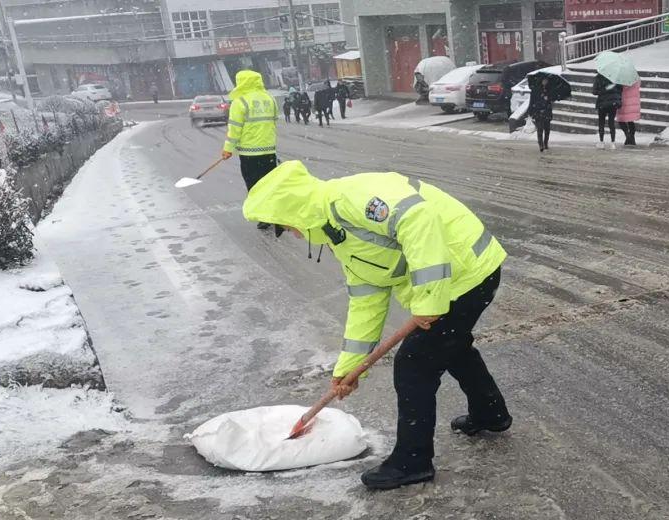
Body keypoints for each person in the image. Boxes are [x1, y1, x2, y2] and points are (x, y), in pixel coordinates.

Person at [242, 161, 511, 490]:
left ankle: (412, 461)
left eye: (287, 225)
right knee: (450, 347)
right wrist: (351, 368)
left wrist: (428, 299)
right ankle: (490, 413)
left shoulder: (352, 200)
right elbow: (366, 299)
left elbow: (418, 218)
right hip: (455, 279)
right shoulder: (340, 238)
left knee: (414, 363)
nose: (294, 234)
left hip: (467, 271)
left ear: (296, 210)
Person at [221, 70, 279, 230]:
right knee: (270, 184)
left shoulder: (240, 102)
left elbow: (234, 129)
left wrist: (228, 149)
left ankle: (263, 217)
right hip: (269, 151)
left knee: (254, 186)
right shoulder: (270, 99)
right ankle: (276, 214)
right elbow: (274, 121)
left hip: (249, 154)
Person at [592, 73, 622, 150]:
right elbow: (620, 89)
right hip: (613, 103)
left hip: (602, 103)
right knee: (611, 122)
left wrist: (603, 90)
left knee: (601, 122)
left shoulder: (599, 77)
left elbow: (594, 91)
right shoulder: (616, 77)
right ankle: (613, 143)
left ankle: (601, 142)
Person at [528, 77, 554, 152]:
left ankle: (546, 143)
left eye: (546, 80)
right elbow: (532, 101)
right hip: (538, 112)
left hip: (547, 112)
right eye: (544, 80)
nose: (545, 82)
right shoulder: (535, 90)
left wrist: (548, 98)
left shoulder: (549, 90)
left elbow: (550, 102)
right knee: (540, 129)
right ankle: (541, 144)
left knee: (547, 129)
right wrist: (531, 111)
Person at [616, 80, 641, 146]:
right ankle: (631, 137)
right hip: (633, 102)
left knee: (621, 120)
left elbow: (618, 90)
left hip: (624, 102)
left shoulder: (621, 81)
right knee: (630, 121)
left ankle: (628, 136)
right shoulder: (636, 80)